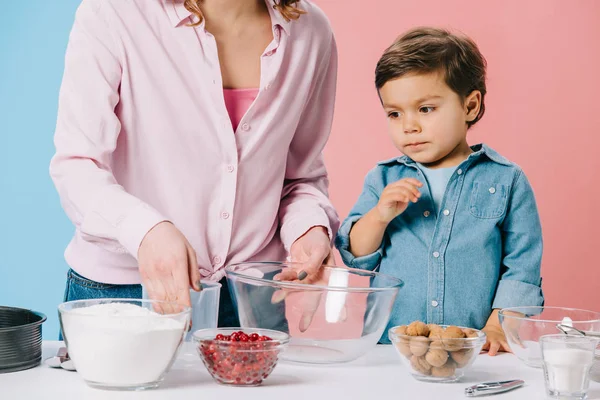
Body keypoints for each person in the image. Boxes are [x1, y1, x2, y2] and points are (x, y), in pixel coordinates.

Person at [50, 0, 339, 327]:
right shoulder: (115, 12)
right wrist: (145, 230)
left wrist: (309, 229)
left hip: (251, 299)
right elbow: (77, 166)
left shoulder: (311, 31)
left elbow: (300, 178)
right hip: (123, 293)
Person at [335, 27, 543, 355]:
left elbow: (522, 265)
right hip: (392, 347)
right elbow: (357, 256)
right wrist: (380, 216)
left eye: (426, 109)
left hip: (475, 349)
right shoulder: (383, 178)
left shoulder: (507, 180)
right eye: (394, 113)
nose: (409, 126)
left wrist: (499, 325)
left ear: (471, 106)